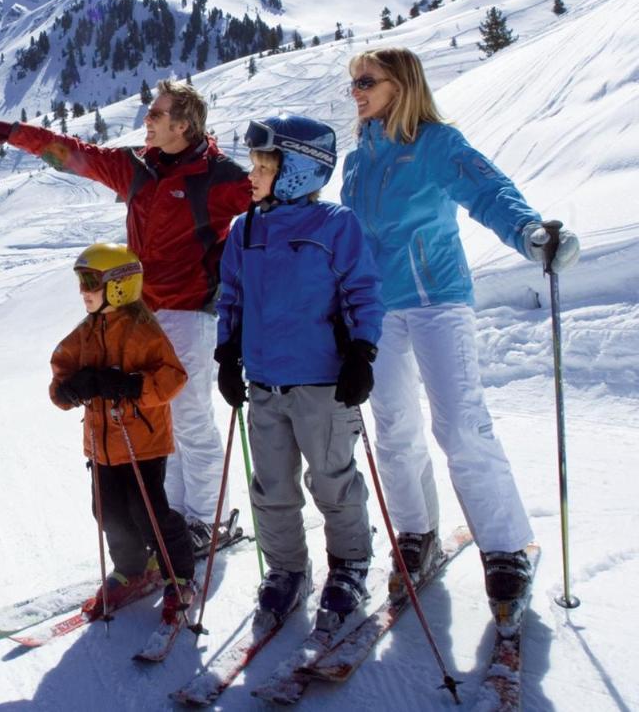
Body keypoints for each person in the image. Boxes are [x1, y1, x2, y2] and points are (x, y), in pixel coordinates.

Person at [340, 47, 580, 608]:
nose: (356, 90)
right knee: (395, 430)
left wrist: (529, 234)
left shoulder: (436, 144)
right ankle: (416, 533)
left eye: (366, 80)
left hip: (436, 300)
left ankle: (505, 548)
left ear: (401, 84)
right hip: (379, 310)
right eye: (352, 82)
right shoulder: (358, 159)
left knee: (461, 426)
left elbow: (488, 190)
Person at [0, 80, 252, 549]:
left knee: (189, 417)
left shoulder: (219, 176)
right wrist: (19, 134)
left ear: (182, 125)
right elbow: (75, 155)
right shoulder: (137, 168)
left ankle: (205, 518)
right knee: (155, 416)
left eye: (156, 114)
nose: (146, 119)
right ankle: (171, 520)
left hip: (191, 311)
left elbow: (267, 204)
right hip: (141, 312)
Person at [215, 115, 384, 622]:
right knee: (271, 485)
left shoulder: (335, 225)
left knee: (332, 479)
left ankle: (350, 562)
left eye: (264, 166)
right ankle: (286, 567)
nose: (252, 175)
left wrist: (362, 353)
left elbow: (364, 293)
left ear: (297, 171)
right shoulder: (245, 230)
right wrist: (228, 355)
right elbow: (232, 298)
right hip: (264, 383)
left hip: (323, 383)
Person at [49, 243, 196, 625]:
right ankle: (131, 568)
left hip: (141, 444)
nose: (83, 290)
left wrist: (132, 386)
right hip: (101, 446)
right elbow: (61, 370)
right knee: (107, 511)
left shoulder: (143, 330)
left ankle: (179, 574)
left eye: (90, 282)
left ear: (119, 286)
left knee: (147, 512)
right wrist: (68, 389)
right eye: (81, 282)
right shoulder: (84, 333)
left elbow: (173, 377)